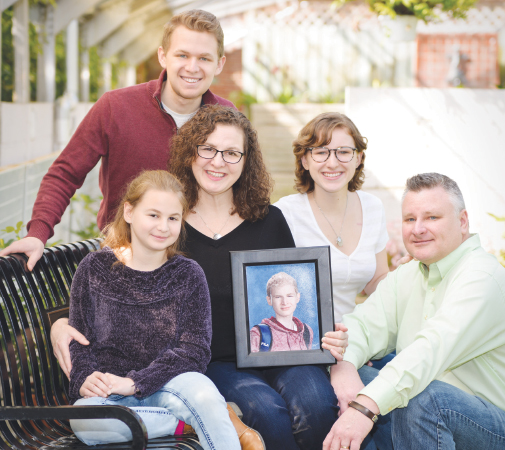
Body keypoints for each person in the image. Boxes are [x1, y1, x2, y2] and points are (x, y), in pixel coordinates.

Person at [49, 105, 348, 450]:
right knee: (267, 413)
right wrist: (60, 324)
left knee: (316, 404)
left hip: (282, 354)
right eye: (208, 149)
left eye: (232, 153)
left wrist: (324, 332)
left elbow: (294, 289)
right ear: (190, 153)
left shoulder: (270, 221)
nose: (218, 162)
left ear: (246, 160)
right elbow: (120, 282)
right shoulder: (168, 225)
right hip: (213, 363)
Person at [324, 173, 505, 450]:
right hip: (434, 420)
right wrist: (344, 367)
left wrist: (363, 408)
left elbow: (429, 350)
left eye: (432, 217)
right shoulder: (408, 274)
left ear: (462, 221)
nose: (418, 229)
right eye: (410, 219)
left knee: (422, 397)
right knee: (357, 378)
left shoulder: (481, 277)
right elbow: (361, 326)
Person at [0, 9, 234, 272]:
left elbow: (243, 187)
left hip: (203, 264)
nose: (192, 67)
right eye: (182, 55)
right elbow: (65, 173)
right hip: (124, 263)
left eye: (204, 58)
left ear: (219, 64)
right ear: (162, 56)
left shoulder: (227, 117)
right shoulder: (116, 107)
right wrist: (37, 233)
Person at [68, 170, 240, 450]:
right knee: (85, 420)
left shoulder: (188, 274)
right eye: (153, 215)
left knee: (205, 396)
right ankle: (187, 422)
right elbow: (79, 339)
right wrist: (84, 379)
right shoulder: (94, 268)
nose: (163, 226)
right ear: (129, 212)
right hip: (109, 395)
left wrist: (134, 382)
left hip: (171, 385)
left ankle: (204, 415)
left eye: (173, 218)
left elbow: (195, 351)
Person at [274, 113, 390, 324]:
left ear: (358, 158)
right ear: (304, 160)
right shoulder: (284, 213)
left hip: (357, 334)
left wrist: (409, 275)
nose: (332, 163)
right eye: (321, 152)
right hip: (305, 337)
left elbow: (376, 281)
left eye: (343, 152)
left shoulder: (373, 207)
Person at [250, 272, 314, 353]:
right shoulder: (259, 334)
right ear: (269, 300)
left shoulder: (306, 331)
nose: (285, 302)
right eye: (278, 297)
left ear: (297, 297)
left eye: (289, 296)